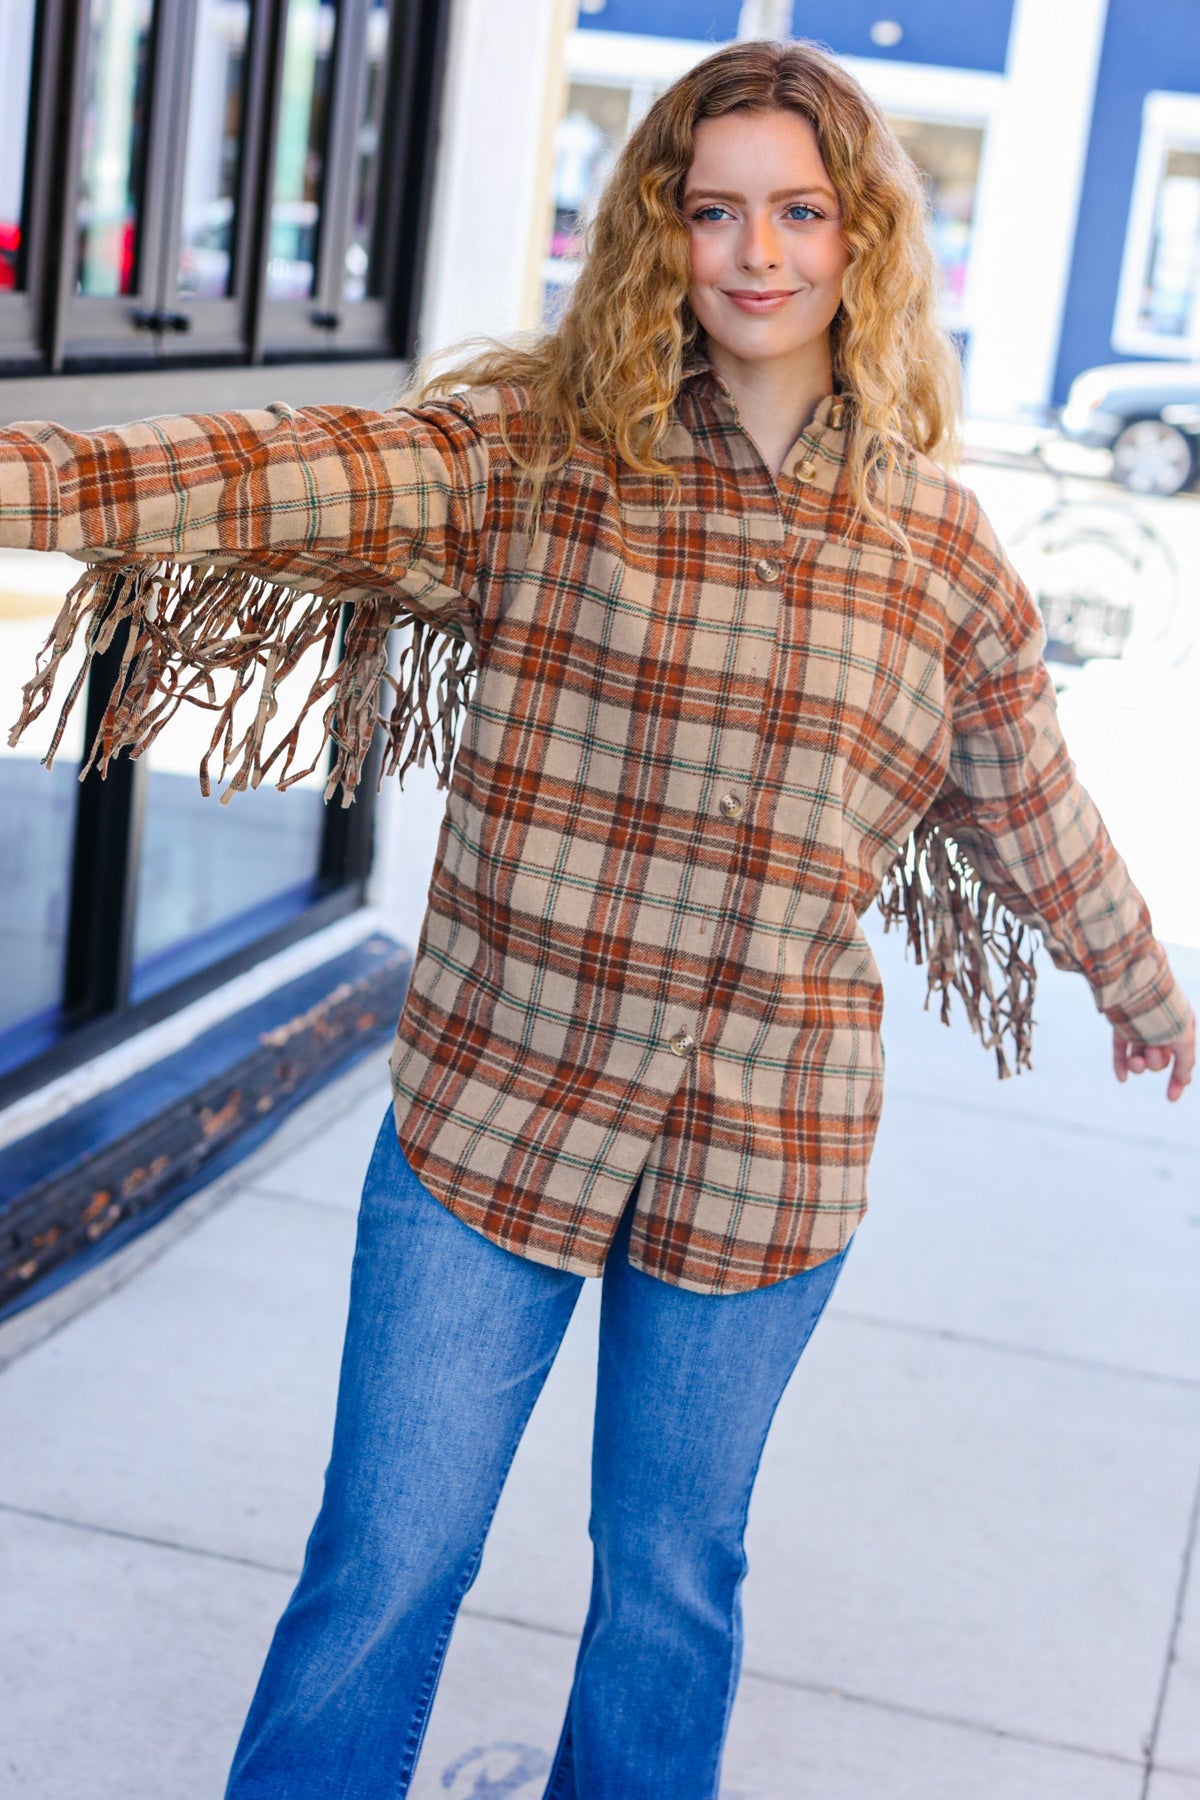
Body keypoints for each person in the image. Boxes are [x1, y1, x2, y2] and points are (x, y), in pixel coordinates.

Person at [4, 37, 1194, 1799]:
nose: (758, 253)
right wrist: (25, 476)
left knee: (671, 1588)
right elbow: (269, 466)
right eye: (715, 211)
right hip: (494, 1116)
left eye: (801, 211)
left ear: (864, 238)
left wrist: (1142, 983)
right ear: (660, 232)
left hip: (766, 1154)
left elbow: (1036, 809)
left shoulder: (944, 559)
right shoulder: (534, 463)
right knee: (386, 1562)